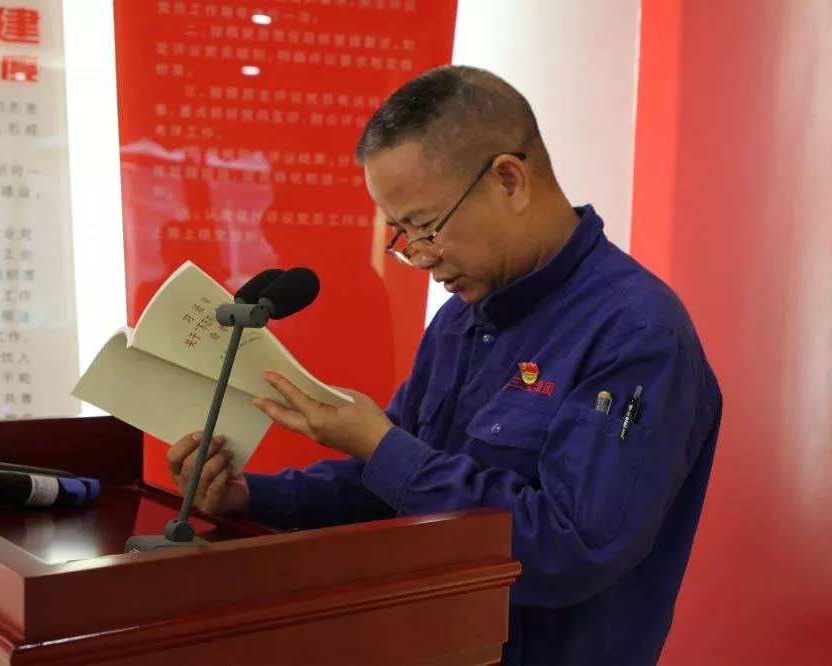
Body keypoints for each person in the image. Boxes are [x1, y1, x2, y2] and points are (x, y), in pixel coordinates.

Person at [166, 65, 722, 665]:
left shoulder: (636, 334)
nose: (419, 256)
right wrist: (253, 496)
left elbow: (569, 549)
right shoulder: (462, 318)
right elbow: (397, 488)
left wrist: (382, 447)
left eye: (426, 226)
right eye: (400, 233)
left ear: (509, 181)